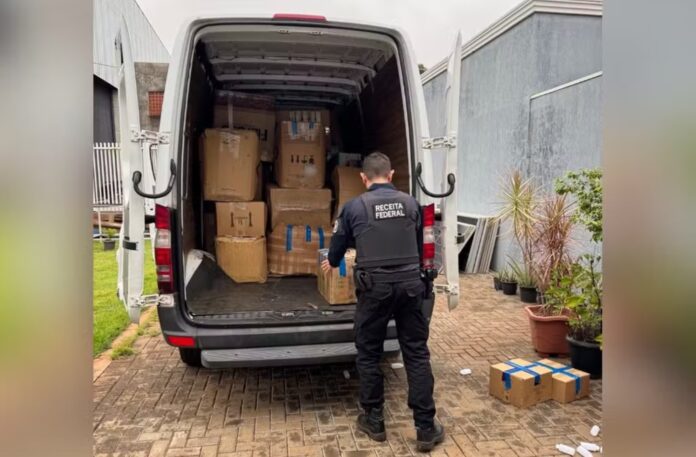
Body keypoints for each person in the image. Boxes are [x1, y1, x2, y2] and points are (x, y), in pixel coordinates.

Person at [321, 152, 444, 452]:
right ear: (391, 176)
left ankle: (374, 420)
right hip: (411, 287)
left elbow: (337, 246)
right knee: (416, 353)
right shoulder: (412, 204)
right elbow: (425, 248)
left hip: (374, 290)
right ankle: (425, 428)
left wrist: (332, 262)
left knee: (368, 353)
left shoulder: (354, 207)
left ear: (363, 178)